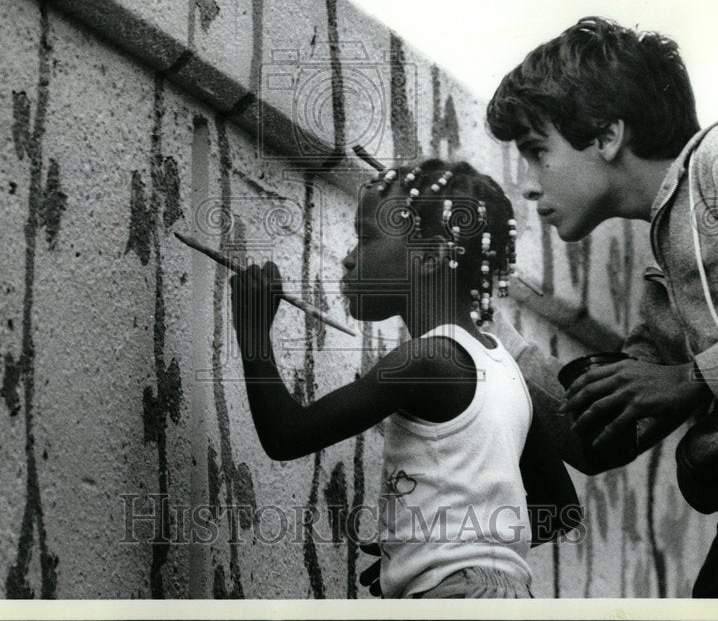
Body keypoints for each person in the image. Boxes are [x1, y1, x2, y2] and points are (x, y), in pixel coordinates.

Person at [485, 16, 718, 598]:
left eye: (539, 152)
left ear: (607, 137)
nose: (530, 185)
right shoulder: (667, 271)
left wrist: (693, 378)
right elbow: (600, 436)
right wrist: (486, 331)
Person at [229, 158, 580, 599]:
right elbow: (560, 507)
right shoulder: (501, 364)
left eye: (367, 237)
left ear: (431, 256)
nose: (350, 258)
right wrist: (430, 549)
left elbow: (285, 435)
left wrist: (254, 333)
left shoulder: (425, 360)